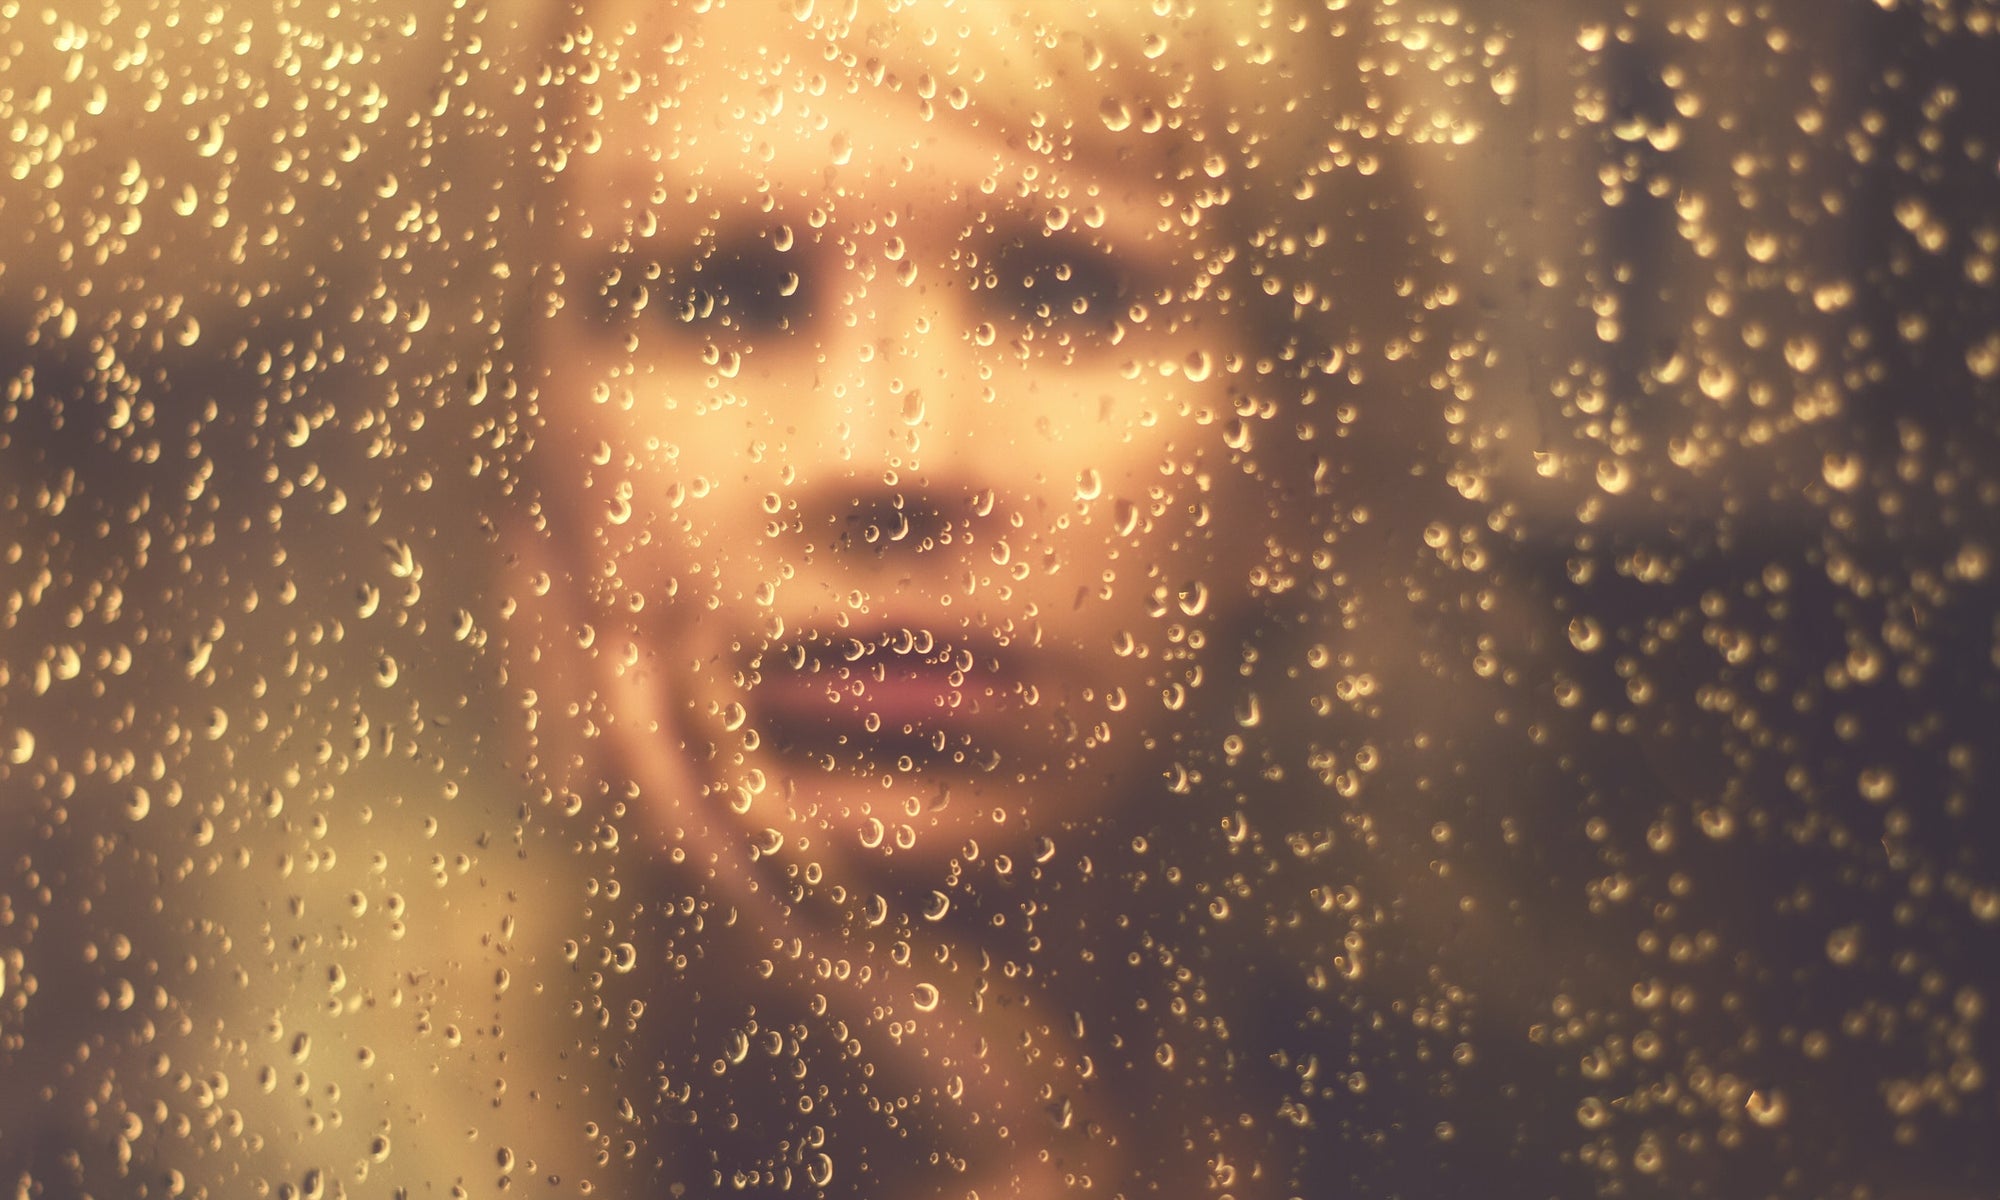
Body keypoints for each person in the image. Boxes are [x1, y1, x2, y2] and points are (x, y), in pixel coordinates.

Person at [508, 0, 1364, 1194]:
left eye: (1062, 289)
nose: (885, 459)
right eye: (730, 293)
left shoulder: (1537, 1113)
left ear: (1291, 462)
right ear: (520, 446)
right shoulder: (279, 1119)